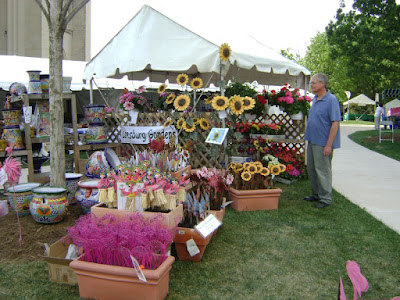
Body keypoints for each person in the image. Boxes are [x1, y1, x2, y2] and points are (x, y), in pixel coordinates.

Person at [304, 73, 341, 209]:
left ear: (322, 84)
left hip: (323, 143)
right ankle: (316, 194)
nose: (311, 85)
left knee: (322, 170)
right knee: (312, 169)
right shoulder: (315, 99)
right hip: (312, 140)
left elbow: (335, 123)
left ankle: (325, 198)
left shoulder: (331, 100)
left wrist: (328, 145)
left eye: (313, 83)